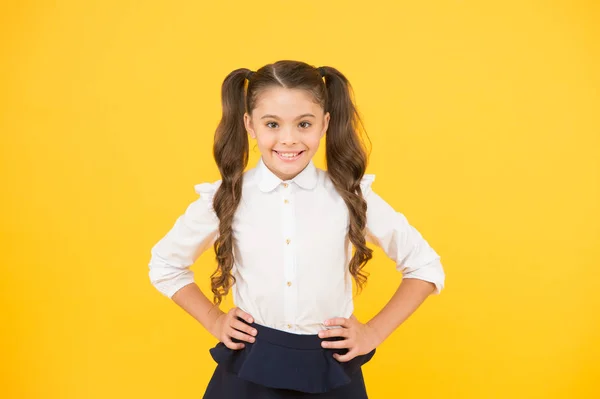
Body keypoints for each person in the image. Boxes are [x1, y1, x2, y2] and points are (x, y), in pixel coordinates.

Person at [148, 60, 445, 398]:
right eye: (272, 124)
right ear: (250, 124)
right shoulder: (226, 197)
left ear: (324, 124)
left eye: (304, 123)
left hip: (330, 368)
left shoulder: (351, 196)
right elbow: (165, 264)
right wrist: (215, 320)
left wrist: (373, 332)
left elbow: (425, 265)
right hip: (249, 369)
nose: (288, 139)